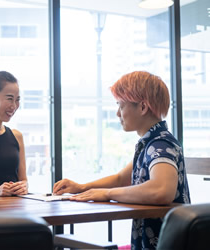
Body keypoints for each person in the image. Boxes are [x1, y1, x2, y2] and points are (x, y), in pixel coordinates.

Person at [53, 71, 191, 250]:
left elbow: (162, 190)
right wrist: (82, 187)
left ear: (142, 107)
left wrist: (108, 194)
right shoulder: (150, 142)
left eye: (121, 105)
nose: (118, 113)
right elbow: (121, 179)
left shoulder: (160, 145)